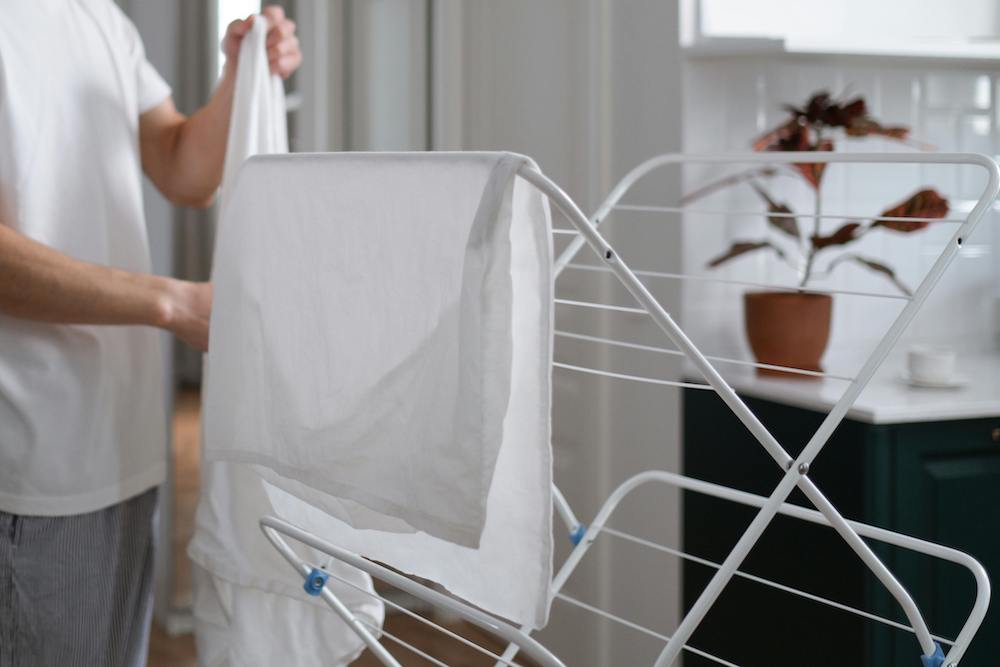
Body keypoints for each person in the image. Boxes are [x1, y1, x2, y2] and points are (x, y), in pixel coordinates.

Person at [0, 2, 302, 664]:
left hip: (125, 441)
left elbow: (179, 166)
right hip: (31, 456)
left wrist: (238, 74)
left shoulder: (97, 16)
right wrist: (173, 303)